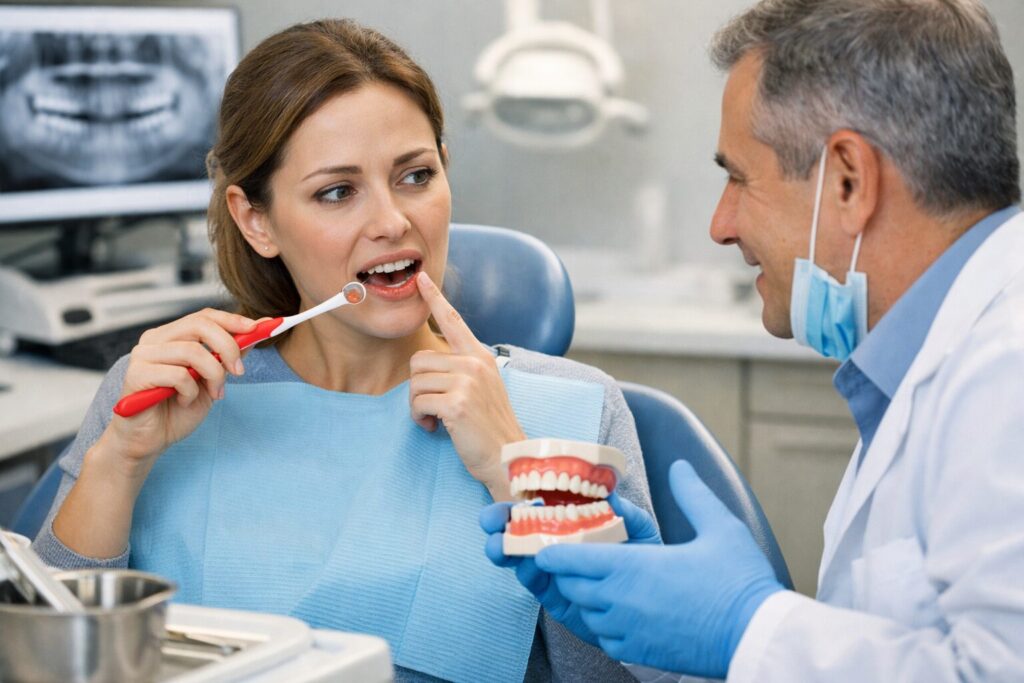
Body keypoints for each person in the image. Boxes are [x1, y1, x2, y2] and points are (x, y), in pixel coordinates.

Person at [30, 19, 655, 683]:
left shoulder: (573, 413)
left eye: (416, 175)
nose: (391, 220)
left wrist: (520, 474)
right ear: (256, 220)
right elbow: (41, 662)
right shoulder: (158, 396)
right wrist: (118, 460)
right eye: (337, 191)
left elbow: (636, 674)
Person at [483, 0, 1024, 680]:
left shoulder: (1008, 367)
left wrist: (745, 624)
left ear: (850, 180)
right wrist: (674, 636)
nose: (720, 223)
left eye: (739, 177)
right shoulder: (936, 359)